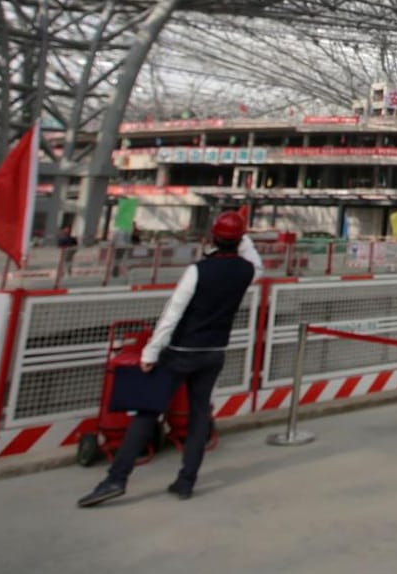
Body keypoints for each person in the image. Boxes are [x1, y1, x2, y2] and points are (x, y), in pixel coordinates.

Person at [78, 207, 262, 507]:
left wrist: (150, 351)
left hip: (180, 352)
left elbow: (171, 314)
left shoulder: (198, 271)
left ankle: (116, 478)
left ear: (212, 237)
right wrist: (245, 238)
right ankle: (186, 481)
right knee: (199, 415)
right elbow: (256, 262)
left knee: (147, 413)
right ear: (239, 240)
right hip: (214, 352)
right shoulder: (246, 271)